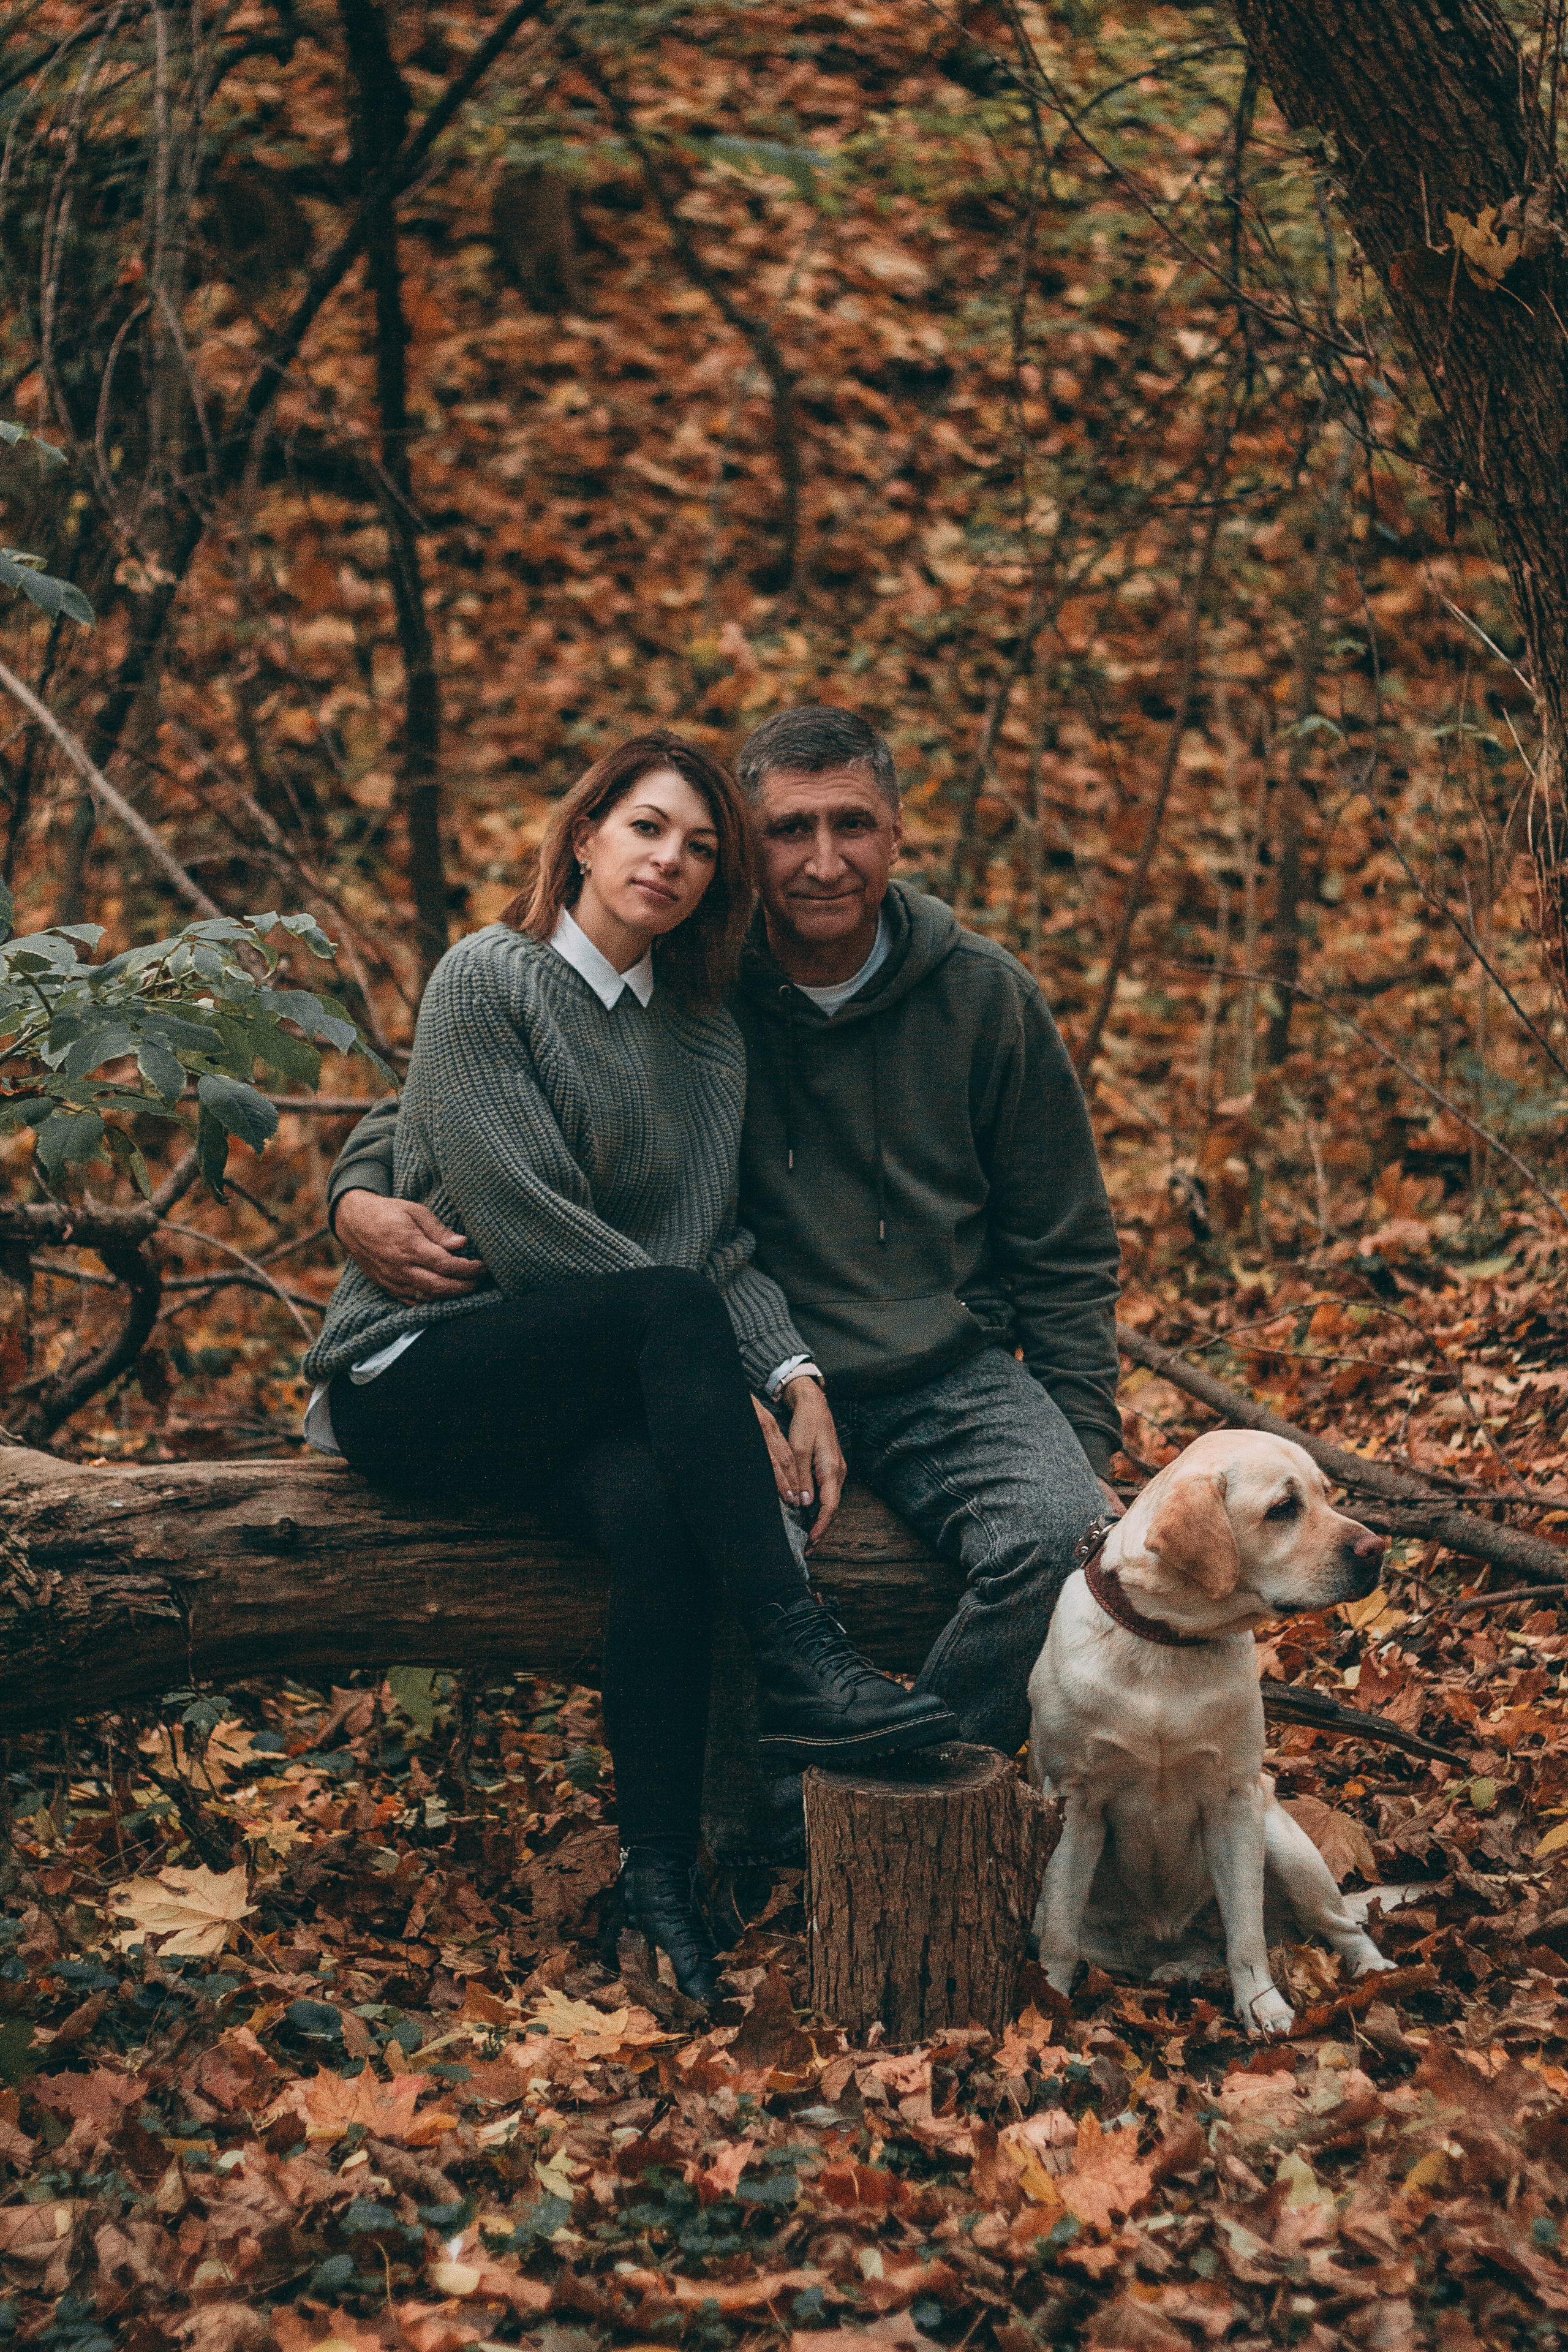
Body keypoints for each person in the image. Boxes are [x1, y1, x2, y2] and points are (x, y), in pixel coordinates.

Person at [326, 708, 1120, 1851]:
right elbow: (445, 1098)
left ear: (898, 836)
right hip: (723, 1369)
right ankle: (732, 1841)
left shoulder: (980, 998)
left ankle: (868, 1809)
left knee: (1060, 1532)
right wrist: (355, 1199)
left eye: (854, 826)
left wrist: (1083, 1445)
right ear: (749, 847)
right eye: (789, 830)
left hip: (937, 1368)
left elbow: (1068, 1250)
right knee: (716, 1552)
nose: (824, 861)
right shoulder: (691, 967)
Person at [301, 731, 956, 1995]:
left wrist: (793, 1377)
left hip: (576, 1392)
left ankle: (658, 1884)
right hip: (418, 1377)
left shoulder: (704, 1037)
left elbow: (708, 1251)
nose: (671, 860)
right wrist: (705, 1372)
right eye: (648, 827)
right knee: (663, 1314)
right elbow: (526, 1224)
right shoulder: (485, 979)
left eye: (702, 849)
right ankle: (803, 1656)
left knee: (659, 1513)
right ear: (587, 834)